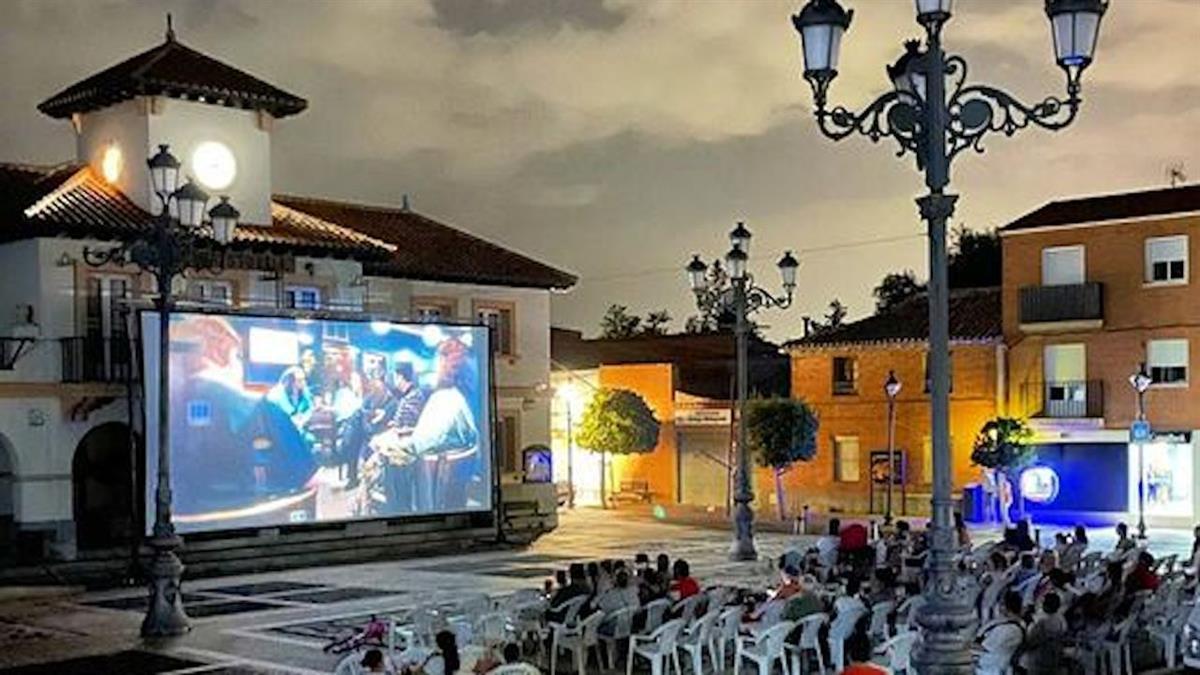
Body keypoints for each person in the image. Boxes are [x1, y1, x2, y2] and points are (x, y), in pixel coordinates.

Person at [976, 591, 1025, 674]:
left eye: (1001, 604)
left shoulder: (1009, 629)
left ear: (1005, 607)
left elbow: (986, 647)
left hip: (993, 669)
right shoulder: (1004, 624)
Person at [1021, 592, 1067, 674]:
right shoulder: (1062, 620)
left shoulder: (1041, 622)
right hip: (1054, 658)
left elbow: (1030, 640)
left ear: (1045, 605)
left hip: (1038, 659)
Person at [265, 365, 315, 434]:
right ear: (290, 381)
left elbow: (310, 408)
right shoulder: (276, 394)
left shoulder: (305, 392)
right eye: (299, 380)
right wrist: (292, 419)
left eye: (304, 379)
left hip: (300, 429)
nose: (304, 383)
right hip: (280, 429)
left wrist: (303, 420)